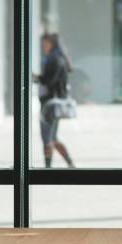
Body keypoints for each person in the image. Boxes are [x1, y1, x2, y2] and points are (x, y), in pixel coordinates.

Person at [34, 33, 75, 168]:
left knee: (47, 138)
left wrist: (37, 78)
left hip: (50, 103)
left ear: (52, 44)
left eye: (45, 44)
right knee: (52, 137)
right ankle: (69, 163)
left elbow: (49, 81)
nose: (43, 47)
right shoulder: (57, 58)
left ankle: (48, 167)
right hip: (52, 103)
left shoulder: (54, 59)